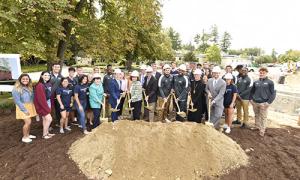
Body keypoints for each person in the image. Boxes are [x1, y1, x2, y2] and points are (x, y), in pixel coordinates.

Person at [250, 67, 276, 137]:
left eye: (263, 73)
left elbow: (273, 93)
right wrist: (251, 99)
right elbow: (252, 91)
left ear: (266, 73)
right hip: (255, 102)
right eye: (260, 73)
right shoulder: (256, 82)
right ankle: (257, 126)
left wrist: (268, 102)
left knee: (263, 117)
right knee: (256, 115)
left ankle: (262, 130)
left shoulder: (270, 82)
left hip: (264, 103)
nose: (261, 74)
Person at [12, 74, 37, 143]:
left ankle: (28, 135)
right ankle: (25, 137)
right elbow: (17, 101)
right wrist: (24, 110)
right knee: (28, 122)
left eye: (27, 79)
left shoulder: (29, 87)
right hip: (22, 107)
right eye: (23, 79)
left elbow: (32, 98)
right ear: (20, 80)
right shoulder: (16, 89)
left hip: (30, 106)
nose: (25, 80)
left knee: (29, 122)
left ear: (29, 80)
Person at [34, 71, 55, 139]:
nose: (47, 77)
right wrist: (46, 108)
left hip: (47, 104)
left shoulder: (47, 84)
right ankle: (44, 135)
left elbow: (50, 95)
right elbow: (41, 99)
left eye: (48, 75)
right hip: (42, 106)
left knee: (45, 119)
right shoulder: (40, 85)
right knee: (49, 119)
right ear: (41, 76)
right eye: (45, 75)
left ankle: (46, 133)